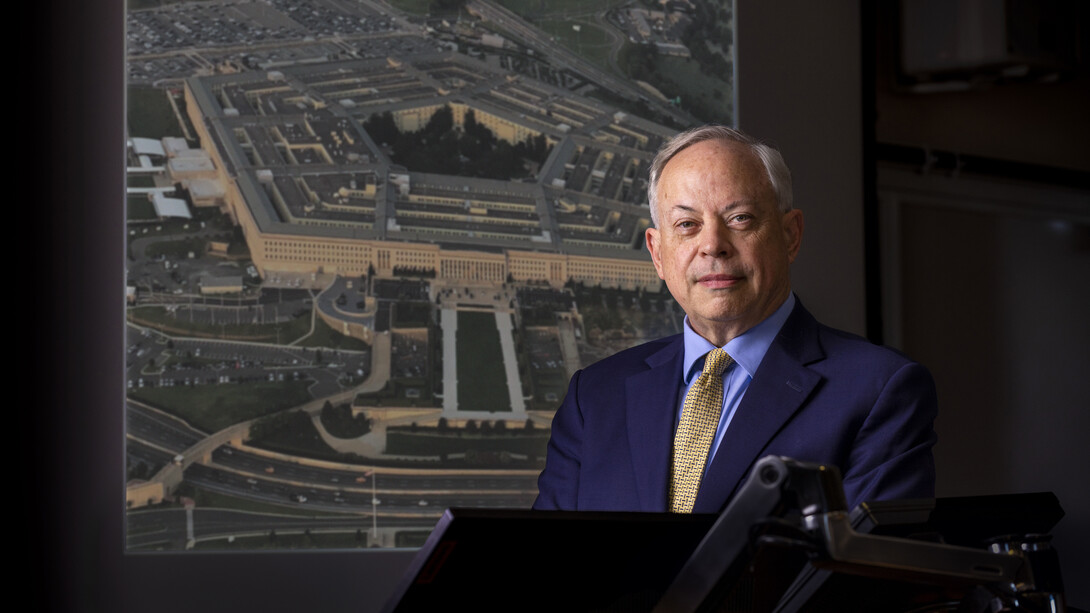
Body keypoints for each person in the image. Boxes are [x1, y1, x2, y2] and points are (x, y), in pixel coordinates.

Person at [533, 125, 937, 514]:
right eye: (687, 225)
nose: (712, 245)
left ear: (790, 235)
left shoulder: (878, 391)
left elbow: (860, 577)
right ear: (658, 253)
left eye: (740, 218)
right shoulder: (595, 396)